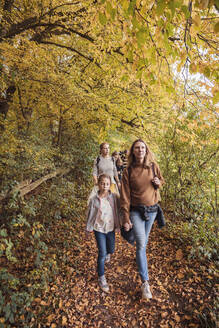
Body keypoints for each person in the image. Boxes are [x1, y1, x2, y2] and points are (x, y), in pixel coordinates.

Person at [120, 139, 164, 300]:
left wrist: (159, 183)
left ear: (146, 150)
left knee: (142, 244)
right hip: (135, 211)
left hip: (152, 211)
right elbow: (124, 196)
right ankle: (145, 282)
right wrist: (125, 217)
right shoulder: (128, 171)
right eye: (137, 148)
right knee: (141, 242)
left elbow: (161, 180)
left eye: (143, 148)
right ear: (133, 151)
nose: (140, 150)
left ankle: (139, 258)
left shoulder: (153, 166)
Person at [86, 174, 120, 292]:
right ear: (98, 184)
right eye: (102, 183)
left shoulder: (114, 197)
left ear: (109, 184)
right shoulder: (94, 199)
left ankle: (108, 253)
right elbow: (90, 214)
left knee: (111, 249)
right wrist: (88, 228)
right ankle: (101, 276)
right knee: (102, 252)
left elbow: (121, 207)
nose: (104, 186)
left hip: (110, 228)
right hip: (98, 228)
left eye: (107, 184)